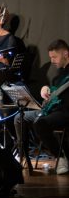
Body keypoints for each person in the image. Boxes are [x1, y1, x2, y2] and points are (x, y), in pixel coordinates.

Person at [14, 39, 69, 175]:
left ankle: (60, 157)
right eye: (50, 57)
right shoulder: (60, 72)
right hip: (51, 109)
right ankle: (23, 156)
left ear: (66, 54)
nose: (52, 61)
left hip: (64, 111)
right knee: (19, 118)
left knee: (40, 123)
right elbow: (54, 88)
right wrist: (45, 89)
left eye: (54, 57)